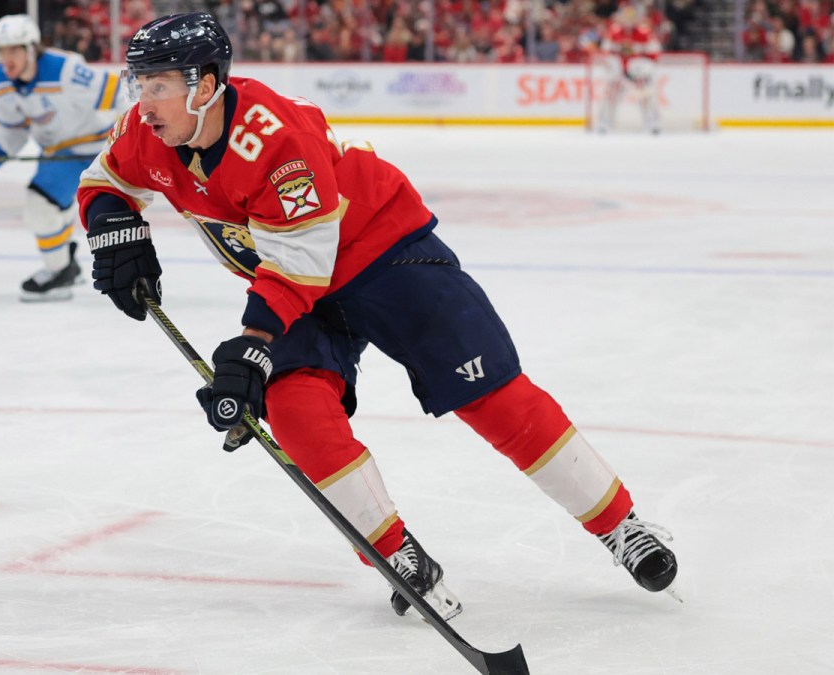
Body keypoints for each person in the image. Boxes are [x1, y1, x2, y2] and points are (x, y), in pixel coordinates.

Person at [78, 12, 680, 621]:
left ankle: (620, 526)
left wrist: (254, 343)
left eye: (158, 85)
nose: (144, 102)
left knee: (491, 392)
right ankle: (398, 553)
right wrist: (113, 228)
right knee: (293, 407)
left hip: (383, 251)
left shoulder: (275, 138)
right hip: (297, 279)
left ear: (204, 87)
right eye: (138, 84)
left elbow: (299, 264)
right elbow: (103, 180)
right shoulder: (145, 132)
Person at [0, 14, 125, 302]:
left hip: (92, 151)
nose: (7, 58)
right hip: (56, 154)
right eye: (1, 51)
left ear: (31, 49)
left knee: (41, 206)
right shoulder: (1, 81)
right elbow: (12, 130)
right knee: (53, 208)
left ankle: (59, 271)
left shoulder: (65, 70)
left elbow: (120, 94)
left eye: (13, 50)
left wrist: (132, 139)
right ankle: (65, 263)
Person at [595, 4, 663, 134]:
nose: (628, 21)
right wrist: (612, 65)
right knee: (610, 97)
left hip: (637, 73)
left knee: (646, 97)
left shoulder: (644, 32)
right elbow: (605, 51)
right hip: (619, 73)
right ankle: (605, 122)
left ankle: (652, 123)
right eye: (625, 17)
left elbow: (655, 52)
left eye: (631, 18)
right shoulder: (614, 31)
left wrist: (644, 66)